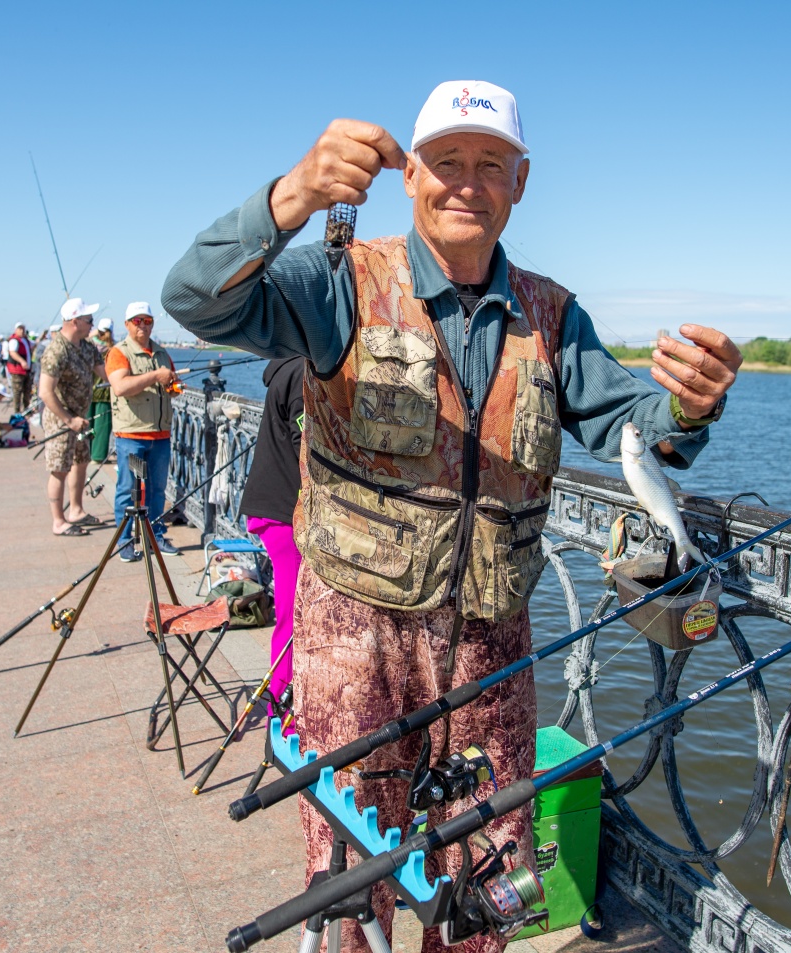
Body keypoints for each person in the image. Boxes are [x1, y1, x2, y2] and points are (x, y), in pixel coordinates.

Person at [162, 80, 741, 953]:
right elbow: (195, 298)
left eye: (490, 165)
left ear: (521, 181)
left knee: (490, 885)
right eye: (446, 162)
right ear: (410, 177)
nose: (467, 183)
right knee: (351, 881)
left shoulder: (552, 313)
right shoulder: (342, 277)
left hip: (494, 646)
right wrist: (296, 193)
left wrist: (690, 408)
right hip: (354, 636)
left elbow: (634, 429)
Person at [236, 355, 305, 711]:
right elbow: (305, 448)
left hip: (274, 508)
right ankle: (282, 709)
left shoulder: (288, 366)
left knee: (294, 615)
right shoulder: (302, 370)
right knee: (294, 620)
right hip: (285, 512)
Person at [106, 301, 180, 560]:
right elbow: (120, 386)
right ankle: (124, 539)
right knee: (129, 489)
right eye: (137, 321)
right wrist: (155, 376)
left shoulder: (161, 353)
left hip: (160, 434)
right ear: (127, 324)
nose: (143, 326)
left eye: (147, 321)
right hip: (132, 435)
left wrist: (172, 384)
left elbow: (171, 386)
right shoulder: (118, 352)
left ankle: (155, 536)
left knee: (158, 488)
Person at [39, 299, 105, 536]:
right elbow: (45, 391)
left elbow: (104, 373)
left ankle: (76, 510)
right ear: (74, 321)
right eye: (89, 321)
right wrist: (68, 420)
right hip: (61, 419)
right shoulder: (57, 350)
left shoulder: (87, 347)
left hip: (80, 418)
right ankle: (58, 521)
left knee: (81, 461)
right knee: (59, 468)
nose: (92, 325)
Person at [89, 318, 116, 465]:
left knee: (87, 424)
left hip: (88, 390)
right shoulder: (112, 349)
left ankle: (85, 452)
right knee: (102, 426)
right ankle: (98, 456)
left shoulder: (88, 345)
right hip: (104, 392)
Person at [5, 322, 34, 415]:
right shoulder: (14, 341)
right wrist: (22, 361)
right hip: (17, 370)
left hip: (26, 370)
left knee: (27, 390)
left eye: (23, 329)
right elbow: (13, 353)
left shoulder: (25, 340)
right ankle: (17, 411)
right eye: (20, 329)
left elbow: (34, 344)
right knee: (17, 391)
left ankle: (26, 409)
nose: (22, 331)